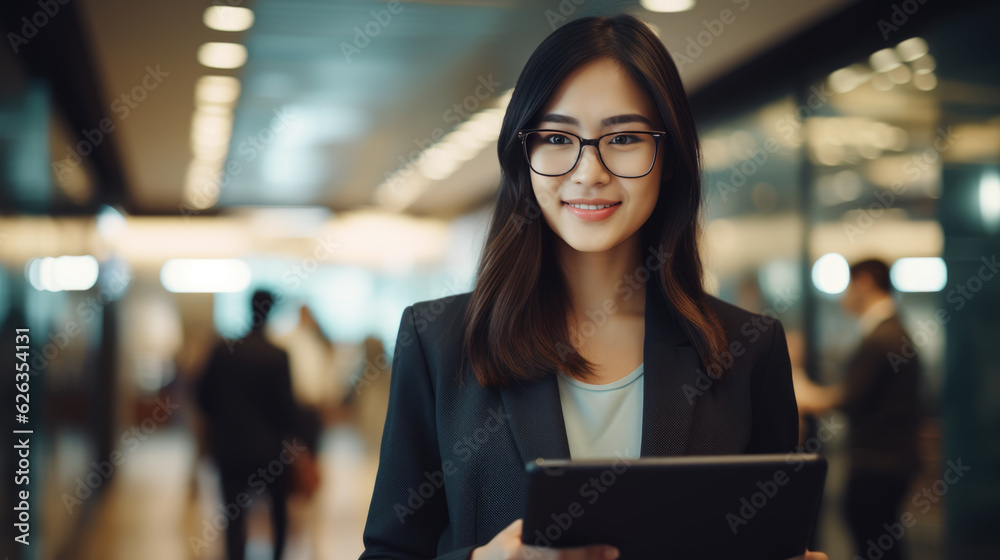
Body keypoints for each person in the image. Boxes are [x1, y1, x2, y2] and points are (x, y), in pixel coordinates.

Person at [360, 14, 827, 560]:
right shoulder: (439, 342)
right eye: (558, 137)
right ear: (523, 155)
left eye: (624, 138)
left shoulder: (748, 350)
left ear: (670, 158)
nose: (589, 172)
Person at [795, 259, 922, 560]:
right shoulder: (894, 332)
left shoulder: (881, 338)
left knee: (875, 541)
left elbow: (851, 399)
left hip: (878, 462)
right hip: (892, 461)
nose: (843, 297)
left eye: (847, 287)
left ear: (863, 283)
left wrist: (807, 396)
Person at [195, 290, 302, 560]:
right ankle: (277, 555)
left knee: (234, 516)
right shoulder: (278, 356)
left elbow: (202, 395)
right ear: (271, 312)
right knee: (278, 512)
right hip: (270, 450)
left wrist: (222, 421)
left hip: (230, 448)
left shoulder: (223, 351)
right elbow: (287, 409)